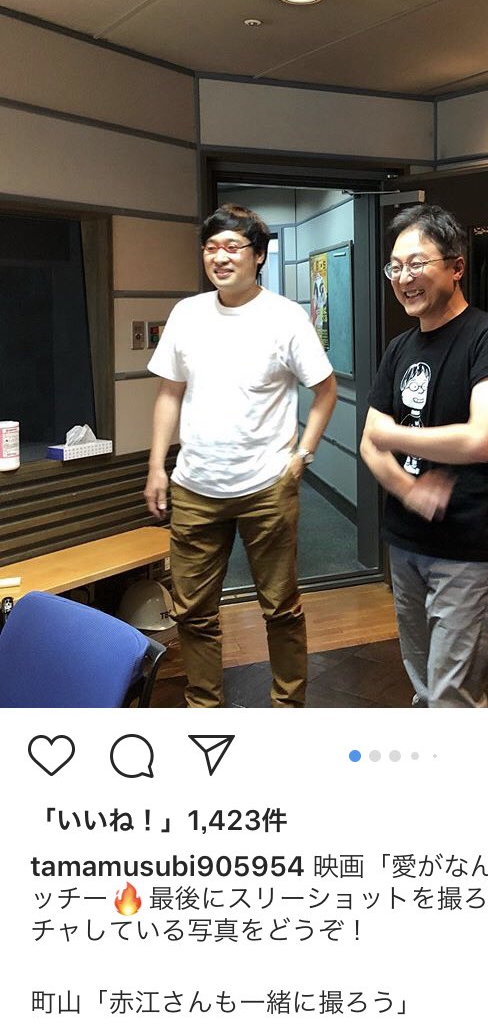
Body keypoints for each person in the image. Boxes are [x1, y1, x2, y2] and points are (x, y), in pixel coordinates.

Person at [145, 204, 337, 708]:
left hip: (267, 488)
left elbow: (325, 390)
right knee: (192, 611)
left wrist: (302, 456)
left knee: (281, 608)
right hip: (195, 486)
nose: (220, 257)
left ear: (259, 255)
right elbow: (169, 393)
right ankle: (204, 710)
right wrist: (156, 467)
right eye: (211, 248)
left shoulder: (285, 317)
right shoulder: (187, 314)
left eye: (233, 246)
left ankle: (287, 705)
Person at [360, 203, 488, 708]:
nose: (403, 277)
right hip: (406, 542)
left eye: (417, 263)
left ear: (456, 266)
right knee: (426, 686)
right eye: (395, 267)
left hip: (470, 547)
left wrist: (396, 436)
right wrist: (409, 490)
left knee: (453, 695)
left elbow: (483, 438)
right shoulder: (399, 348)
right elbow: (368, 442)